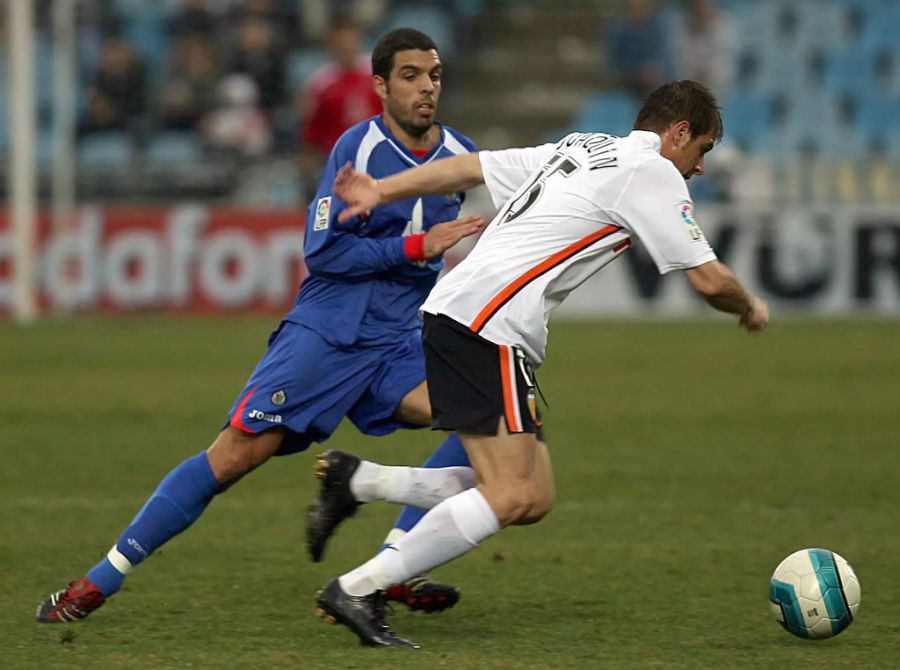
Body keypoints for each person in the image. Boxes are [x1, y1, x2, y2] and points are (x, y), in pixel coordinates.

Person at [35, 28, 487, 624]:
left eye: (433, 75)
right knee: (232, 457)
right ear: (380, 85)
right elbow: (324, 253)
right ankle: (97, 583)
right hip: (327, 336)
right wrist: (414, 247)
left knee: (488, 416)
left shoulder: (462, 152)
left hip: (396, 343)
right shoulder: (359, 148)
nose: (426, 87)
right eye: (410, 76)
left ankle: (394, 567)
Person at [312, 80, 770, 648]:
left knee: (533, 495)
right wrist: (749, 305)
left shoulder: (578, 146)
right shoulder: (652, 172)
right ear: (679, 133)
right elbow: (708, 278)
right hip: (489, 325)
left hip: (468, 315)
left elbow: (469, 168)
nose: (699, 167)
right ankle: (359, 586)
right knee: (509, 494)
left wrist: (382, 190)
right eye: (701, 150)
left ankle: (360, 481)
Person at [298, 16, 382, 201]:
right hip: (339, 168)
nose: (345, 46)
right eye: (340, 41)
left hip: (380, 161)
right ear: (331, 43)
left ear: (359, 39)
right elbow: (312, 131)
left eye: (349, 39)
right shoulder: (320, 82)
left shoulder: (379, 72)